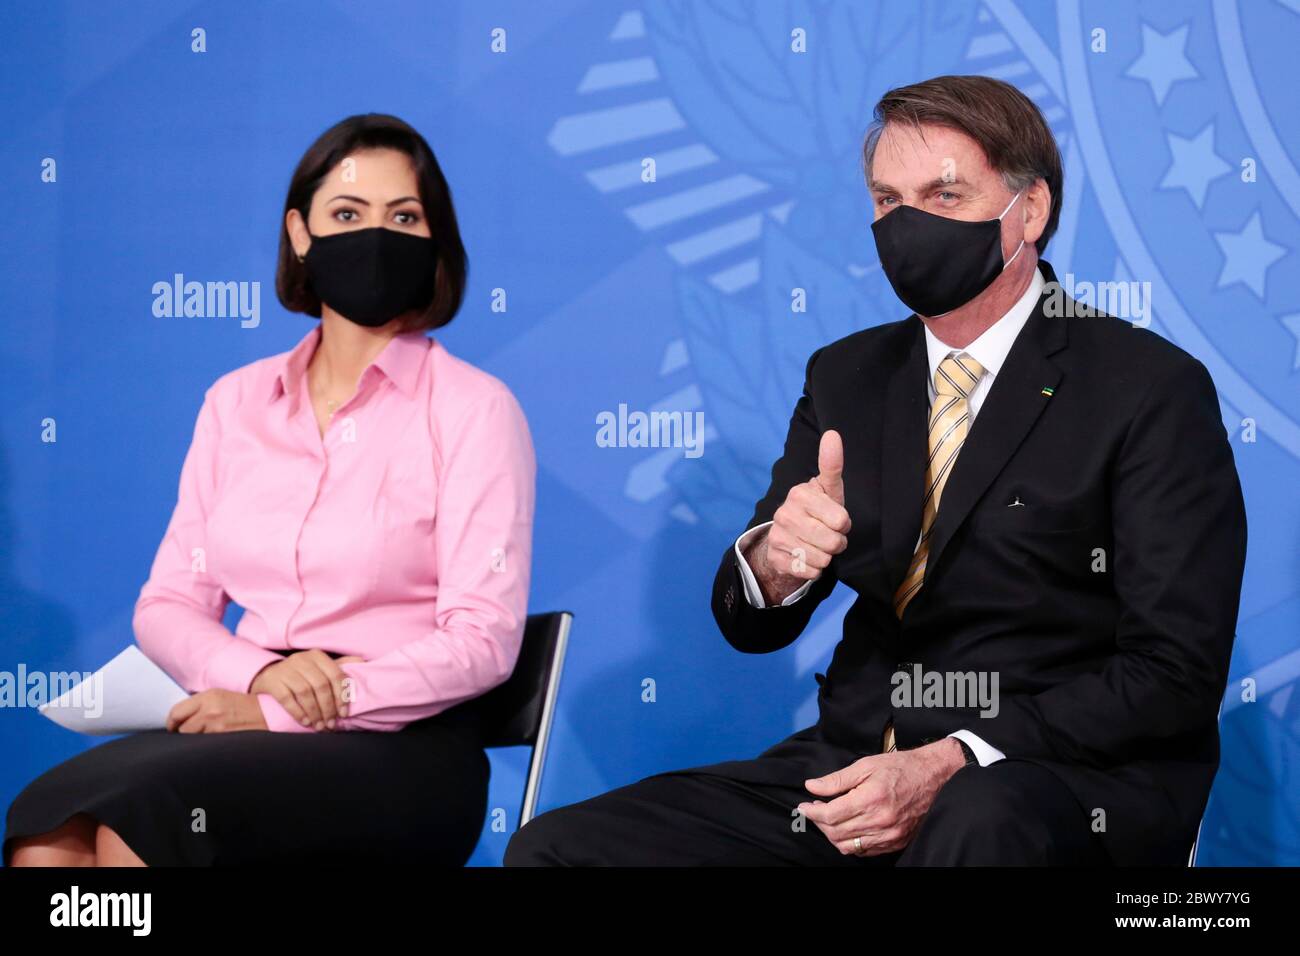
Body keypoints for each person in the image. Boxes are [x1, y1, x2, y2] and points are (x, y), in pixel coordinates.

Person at [506, 75, 1246, 867]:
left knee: (974, 826)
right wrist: (774, 563)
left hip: (1050, 781)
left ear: (1029, 210)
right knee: (561, 851)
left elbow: (1172, 672)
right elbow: (750, 622)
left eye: (945, 195)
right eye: (889, 200)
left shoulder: (1145, 387)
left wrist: (955, 755)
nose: (909, 223)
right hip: (852, 769)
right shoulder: (848, 376)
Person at [4, 114, 536, 867]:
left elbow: (482, 641)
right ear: (300, 234)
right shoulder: (236, 403)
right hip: (243, 711)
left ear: (435, 239)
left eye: (404, 217)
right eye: (348, 215)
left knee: (145, 829)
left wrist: (286, 708)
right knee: (48, 830)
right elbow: (168, 606)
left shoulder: (476, 409)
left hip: (402, 745)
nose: (375, 236)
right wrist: (255, 676)